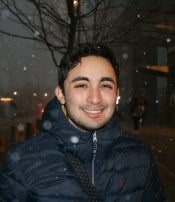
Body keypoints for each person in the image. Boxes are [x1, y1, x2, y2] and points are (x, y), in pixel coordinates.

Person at [0, 43, 167, 201]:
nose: (95, 99)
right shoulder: (23, 160)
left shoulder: (140, 155)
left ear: (117, 94)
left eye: (106, 85)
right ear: (61, 95)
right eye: (82, 85)